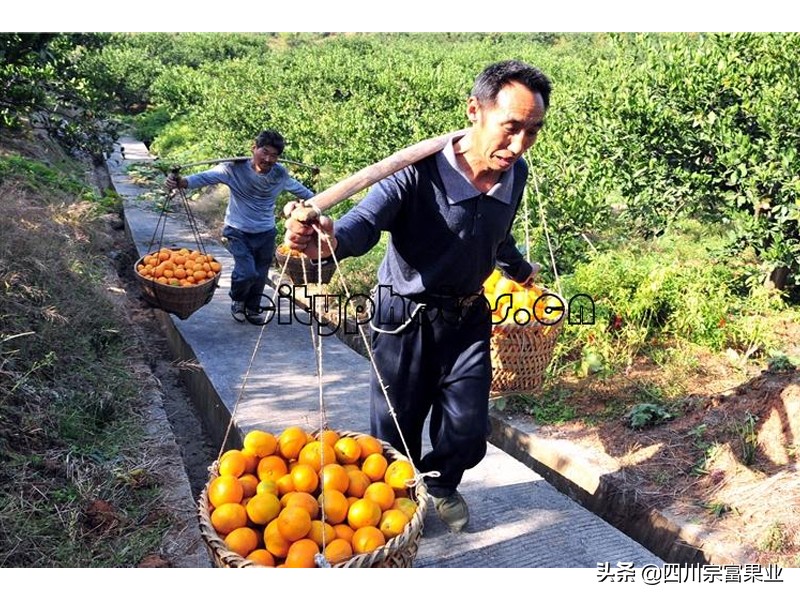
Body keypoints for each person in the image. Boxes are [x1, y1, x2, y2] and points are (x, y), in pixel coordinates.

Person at [283, 60, 551, 532]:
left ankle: (442, 485)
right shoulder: (415, 174)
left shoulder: (516, 173)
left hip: (468, 316)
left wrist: (519, 269)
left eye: (532, 131)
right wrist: (327, 238)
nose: (518, 144)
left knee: (468, 427)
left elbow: (496, 236)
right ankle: (397, 496)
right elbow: (360, 227)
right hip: (403, 316)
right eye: (511, 128)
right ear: (475, 110)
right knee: (395, 423)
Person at [166, 129, 315, 325]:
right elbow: (204, 177)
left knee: (260, 274)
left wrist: (315, 204)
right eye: (265, 152)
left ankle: (253, 308)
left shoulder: (280, 174)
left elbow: (305, 193)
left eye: (274, 155)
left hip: (266, 232)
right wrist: (180, 182)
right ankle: (238, 299)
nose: (268, 159)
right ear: (254, 148)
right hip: (237, 230)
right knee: (247, 272)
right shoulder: (232, 169)